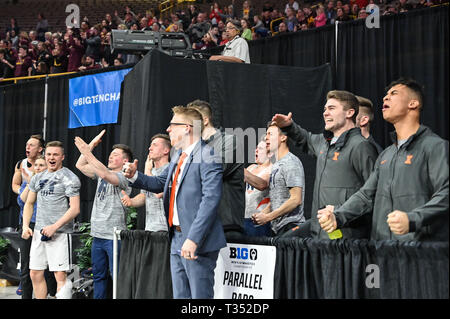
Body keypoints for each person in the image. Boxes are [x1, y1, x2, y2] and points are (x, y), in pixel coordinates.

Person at [318, 78, 449, 241]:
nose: (385, 98)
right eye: (386, 95)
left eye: (393, 93)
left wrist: (413, 219)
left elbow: (446, 192)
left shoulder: (435, 147)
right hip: (383, 252)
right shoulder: (386, 155)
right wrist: (338, 216)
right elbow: (366, 196)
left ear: (413, 103)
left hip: (420, 254)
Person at [123, 106, 225, 299]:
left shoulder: (208, 155)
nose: (168, 129)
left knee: (200, 298)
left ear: (187, 128)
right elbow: (161, 183)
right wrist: (135, 175)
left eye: (172, 125)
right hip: (176, 236)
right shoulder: (178, 155)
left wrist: (193, 239)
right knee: (180, 296)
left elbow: (210, 200)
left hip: (197, 240)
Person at [271, 90, 379, 239]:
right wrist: (289, 126)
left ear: (349, 113)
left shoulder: (361, 146)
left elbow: (374, 193)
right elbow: (306, 139)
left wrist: (339, 212)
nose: (325, 113)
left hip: (347, 236)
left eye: (332, 108)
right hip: (321, 233)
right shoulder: (324, 142)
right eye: (325, 109)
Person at [74, 130, 133, 299]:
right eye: (110, 154)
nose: (110, 157)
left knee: (117, 277)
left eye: (115, 155)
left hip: (114, 236)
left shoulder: (124, 176)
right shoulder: (102, 173)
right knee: (99, 276)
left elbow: (106, 174)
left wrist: (87, 151)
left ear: (125, 160)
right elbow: (80, 165)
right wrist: (90, 146)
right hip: (98, 234)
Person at [21, 141, 81, 299]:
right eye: (48, 154)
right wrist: (26, 225)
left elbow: (75, 208)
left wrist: (54, 227)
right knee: (34, 273)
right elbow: (29, 203)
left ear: (62, 157)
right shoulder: (38, 177)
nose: (51, 157)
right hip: (38, 232)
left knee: (60, 276)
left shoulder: (69, 177)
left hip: (60, 234)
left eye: (55, 154)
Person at [188, 100, 245, 237]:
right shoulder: (193, 147)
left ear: (205, 120)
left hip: (226, 224)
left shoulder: (230, 141)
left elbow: (217, 169)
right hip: (200, 224)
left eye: (191, 121)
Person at [252, 122, 305, 237]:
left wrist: (268, 217)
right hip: (278, 229)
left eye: (270, 134)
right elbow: (278, 199)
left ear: (283, 137)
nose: (266, 137)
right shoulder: (276, 165)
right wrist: (262, 214)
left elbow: (296, 199)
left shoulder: (291, 162)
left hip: (291, 228)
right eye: (266, 134)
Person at [16, 155, 56, 299]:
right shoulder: (28, 183)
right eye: (36, 165)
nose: (38, 168)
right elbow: (22, 202)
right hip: (29, 226)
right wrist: (29, 183)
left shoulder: (52, 182)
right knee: (26, 266)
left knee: (49, 268)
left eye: (41, 165)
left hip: (46, 226)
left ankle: (52, 294)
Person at [121, 134, 171, 232]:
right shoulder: (150, 171)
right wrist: (131, 202)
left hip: (165, 230)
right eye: (150, 145)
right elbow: (144, 196)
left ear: (166, 150)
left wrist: (147, 171)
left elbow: (159, 193)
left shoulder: (170, 169)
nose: (150, 148)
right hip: (150, 228)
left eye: (155, 145)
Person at [244, 140, 272, 237]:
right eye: (256, 148)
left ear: (270, 154)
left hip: (259, 220)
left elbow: (262, 184)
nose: (256, 150)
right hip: (244, 217)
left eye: (260, 149)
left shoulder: (272, 169)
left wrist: (237, 167)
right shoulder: (251, 167)